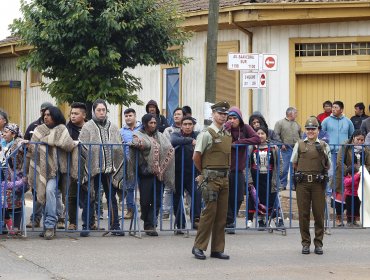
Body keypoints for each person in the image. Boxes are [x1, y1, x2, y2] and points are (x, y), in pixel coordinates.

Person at [27, 106, 78, 240]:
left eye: (49, 115)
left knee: (49, 192)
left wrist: (51, 140)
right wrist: (29, 146)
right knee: (44, 194)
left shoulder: (62, 129)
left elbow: (68, 145)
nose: (46, 117)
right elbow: (33, 149)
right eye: (45, 114)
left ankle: (49, 225)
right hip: (42, 169)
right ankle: (48, 227)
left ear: (55, 116)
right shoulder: (39, 130)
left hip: (58, 169)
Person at [79, 99, 125, 237]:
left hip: (110, 168)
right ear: (93, 111)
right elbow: (83, 146)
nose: (101, 112)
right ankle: (86, 225)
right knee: (90, 196)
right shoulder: (88, 127)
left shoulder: (114, 127)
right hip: (93, 167)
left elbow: (119, 146)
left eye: (103, 110)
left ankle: (115, 226)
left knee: (111, 197)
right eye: (98, 110)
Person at [192, 101, 231, 260]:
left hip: (224, 178)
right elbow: (196, 156)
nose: (222, 116)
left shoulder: (227, 135)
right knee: (209, 214)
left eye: (225, 114)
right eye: (220, 113)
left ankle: (217, 249)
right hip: (211, 179)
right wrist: (204, 173)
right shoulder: (206, 134)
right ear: (213, 114)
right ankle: (198, 247)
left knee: (221, 216)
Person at [128, 113, 175, 236]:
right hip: (145, 172)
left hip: (159, 173)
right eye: (151, 123)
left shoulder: (160, 135)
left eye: (155, 123)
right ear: (145, 124)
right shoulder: (138, 134)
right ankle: (146, 219)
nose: (153, 125)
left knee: (157, 200)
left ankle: (151, 225)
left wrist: (160, 166)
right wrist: (144, 144)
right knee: (145, 200)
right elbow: (136, 142)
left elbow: (169, 148)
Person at [291, 117, 331, 255]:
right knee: (303, 214)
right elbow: (294, 163)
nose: (310, 131)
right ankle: (305, 243)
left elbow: (328, 165)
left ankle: (318, 244)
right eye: (308, 129)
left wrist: (322, 152)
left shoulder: (324, 145)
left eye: (313, 129)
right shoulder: (300, 144)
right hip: (303, 183)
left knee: (319, 214)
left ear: (318, 130)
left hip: (318, 183)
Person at [224, 107, 260, 234]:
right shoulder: (225, 128)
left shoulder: (245, 128)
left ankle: (231, 219)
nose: (232, 120)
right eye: (230, 118)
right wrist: (227, 127)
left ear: (239, 118)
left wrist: (240, 142)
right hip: (225, 168)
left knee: (239, 197)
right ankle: (228, 222)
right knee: (226, 197)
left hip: (238, 168)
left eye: (235, 118)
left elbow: (257, 139)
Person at [24, 101, 54, 229]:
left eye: (48, 112)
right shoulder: (33, 126)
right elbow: (26, 144)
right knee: (37, 192)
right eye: (43, 111)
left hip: (52, 167)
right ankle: (35, 219)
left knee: (52, 193)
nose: (45, 115)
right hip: (36, 165)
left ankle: (53, 221)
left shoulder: (57, 127)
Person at [248, 126, 283, 230]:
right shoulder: (251, 148)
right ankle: (261, 220)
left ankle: (278, 220)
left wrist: (278, 175)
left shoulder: (274, 148)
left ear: (267, 135)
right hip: (256, 178)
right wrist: (249, 179)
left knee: (272, 198)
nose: (260, 136)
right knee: (258, 199)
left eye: (262, 133)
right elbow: (246, 164)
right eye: (258, 134)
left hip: (270, 178)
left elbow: (280, 163)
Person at [170, 116, 201, 233]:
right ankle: (180, 224)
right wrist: (190, 141)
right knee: (177, 198)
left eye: (190, 124)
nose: (187, 126)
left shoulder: (198, 135)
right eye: (185, 124)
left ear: (193, 125)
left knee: (197, 193)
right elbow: (173, 141)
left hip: (193, 173)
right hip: (177, 172)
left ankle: (196, 219)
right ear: (181, 125)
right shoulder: (176, 134)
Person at [334, 130, 370, 226]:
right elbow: (339, 161)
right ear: (353, 138)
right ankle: (338, 218)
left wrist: (363, 171)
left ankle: (352, 219)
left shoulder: (365, 149)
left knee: (355, 199)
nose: (360, 142)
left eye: (362, 140)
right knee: (341, 198)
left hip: (359, 177)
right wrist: (349, 172)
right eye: (358, 139)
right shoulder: (346, 146)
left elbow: (368, 163)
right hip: (345, 175)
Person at [322, 101, 355, 198]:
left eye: (336, 107)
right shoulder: (326, 121)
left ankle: (343, 192)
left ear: (341, 109)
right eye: (333, 107)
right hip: (330, 151)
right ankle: (329, 193)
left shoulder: (348, 121)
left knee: (344, 172)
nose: (333, 109)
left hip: (344, 152)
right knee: (331, 172)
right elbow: (322, 134)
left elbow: (351, 135)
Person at [0, 123, 28, 234]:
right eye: (3, 132)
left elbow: (22, 143)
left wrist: (24, 142)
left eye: (6, 132)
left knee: (16, 201)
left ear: (13, 134)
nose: (3, 134)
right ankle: (4, 226)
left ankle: (15, 227)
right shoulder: (3, 143)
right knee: (5, 202)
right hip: (5, 176)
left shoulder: (17, 142)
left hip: (17, 176)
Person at [64, 102, 87, 230]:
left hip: (88, 166)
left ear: (83, 115)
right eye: (71, 113)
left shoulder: (90, 128)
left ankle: (90, 222)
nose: (73, 116)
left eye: (76, 114)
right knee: (72, 196)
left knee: (90, 195)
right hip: (71, 167)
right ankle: (72, 222)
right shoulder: (67, 129)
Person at [162, 107, 184, 219]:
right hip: (171, 162)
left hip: (184, 163)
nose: (176, 116)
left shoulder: (186, 129)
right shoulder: (168, 130)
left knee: (186, 189)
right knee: (169, 187)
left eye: (179, 114)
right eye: (175, 114)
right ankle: (166, 210)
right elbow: (167, 144)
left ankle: (189, 210)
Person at [120, 108, 141, 220]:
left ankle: (145, 210)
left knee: (143, 187)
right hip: (128, 162)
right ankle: (130, 210)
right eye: (126, 116)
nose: (128, 118)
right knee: (129, 187)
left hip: (142, 162)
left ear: (135, 116)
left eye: (130, 115)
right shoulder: (121, 131)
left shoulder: (142, 128)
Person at [274, 107, 302, 190]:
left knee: (295, 168)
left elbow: (301, 135)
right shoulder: (280, 123)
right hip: (285, 149)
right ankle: (282, 184)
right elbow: (276, 135)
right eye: (295, 113)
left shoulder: (297, 124)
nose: (296, 115)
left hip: (296, 149)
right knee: (284, 168)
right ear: (290, 114)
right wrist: (281, 144)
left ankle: (294, 185)